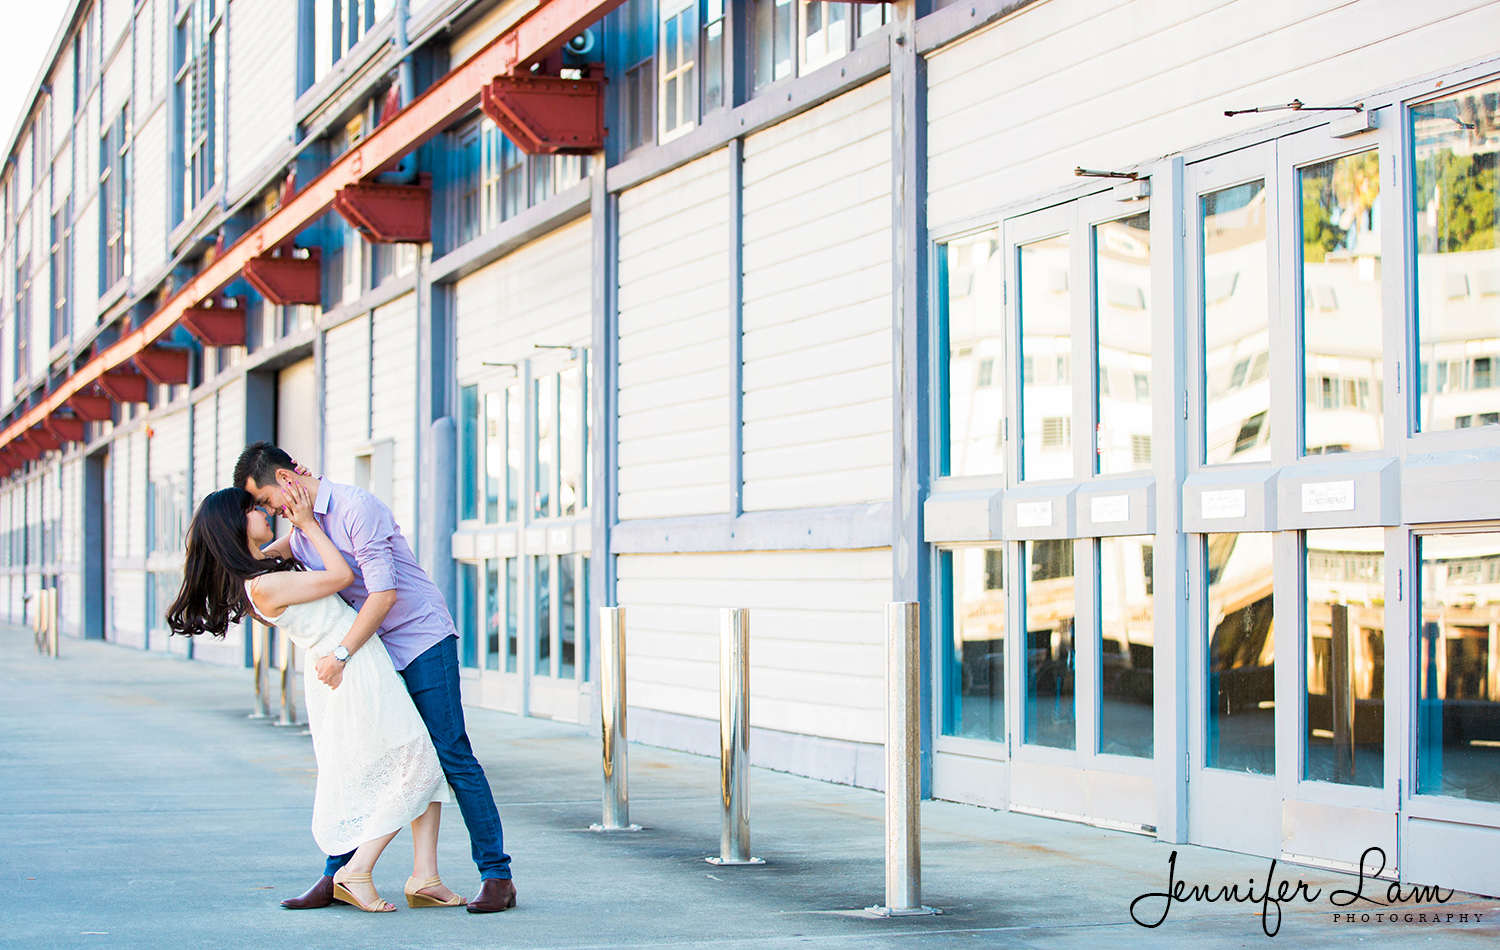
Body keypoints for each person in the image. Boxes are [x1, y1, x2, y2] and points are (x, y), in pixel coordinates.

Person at [232, 441, 515, 913]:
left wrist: (341, 654)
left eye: (264, 501)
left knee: (451, 753)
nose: (269, 511)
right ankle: (337, 875)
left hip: (419, 638)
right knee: (367, 759)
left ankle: (497, 876)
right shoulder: (302, 531)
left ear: (285, 480)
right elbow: (256, 561)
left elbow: (382, 594)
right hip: (375, 653)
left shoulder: (355, 507)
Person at [167, 481, 464, 912]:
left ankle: (425, 876)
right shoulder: (265, 586)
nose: (265, 513)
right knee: (417, 764)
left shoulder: (261, 574)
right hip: (350, 667)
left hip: (353, 663)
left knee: (415, 759)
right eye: (253, 509)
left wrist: (300, 526)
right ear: (236, 524)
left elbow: (295, 552)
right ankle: (358, 871)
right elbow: (341, 575)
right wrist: (308, 522)